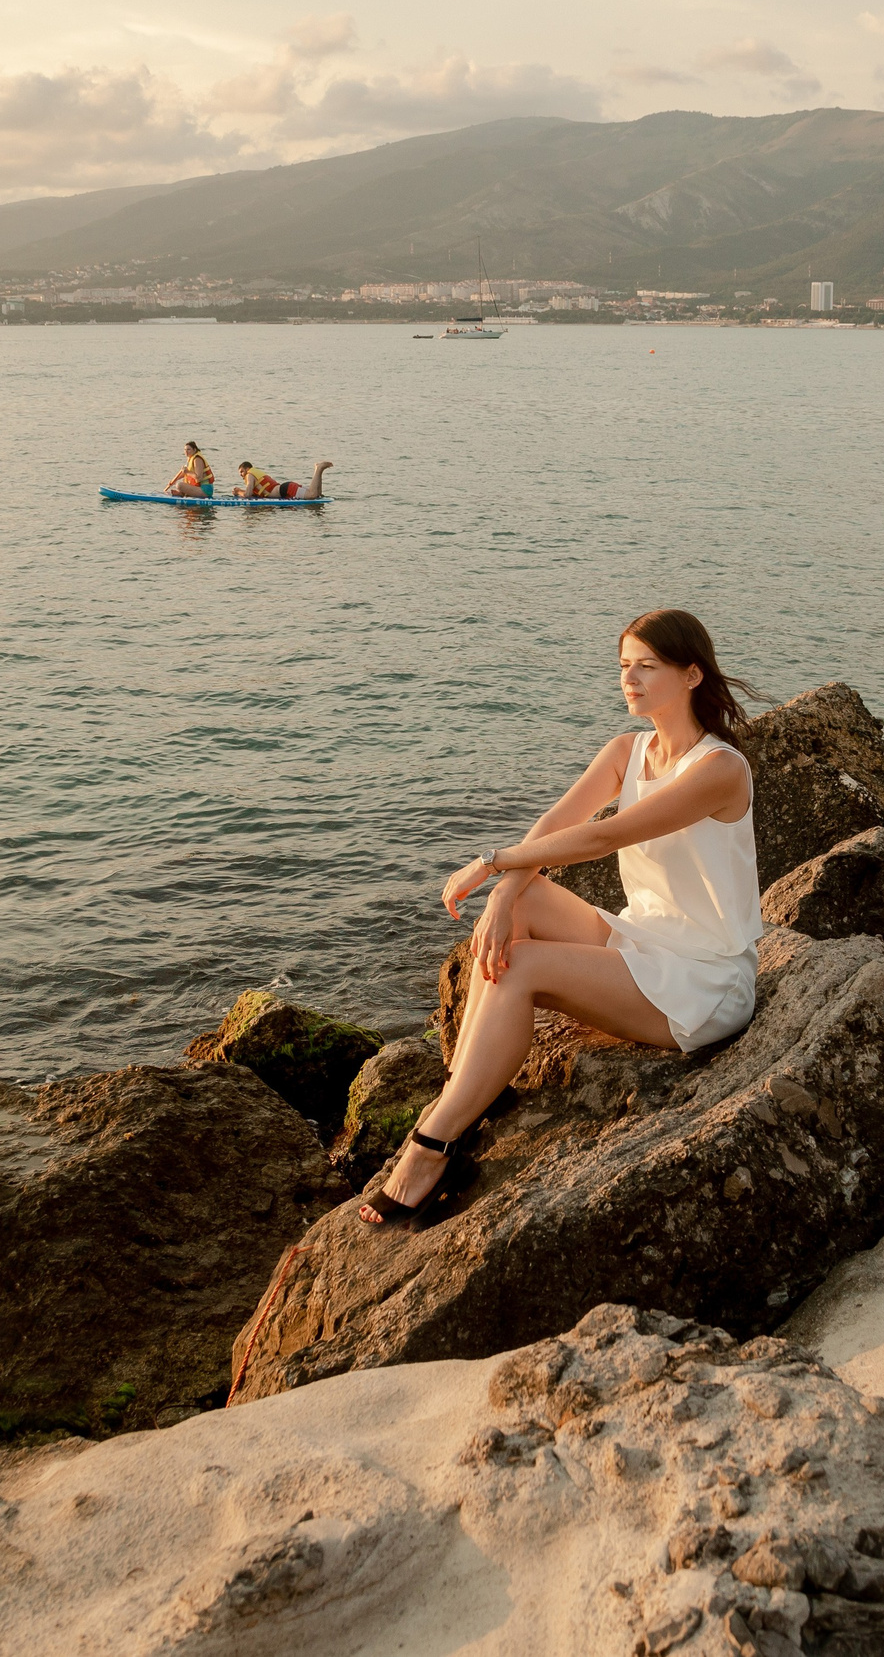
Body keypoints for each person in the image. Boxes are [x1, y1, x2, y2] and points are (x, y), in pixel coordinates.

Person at [362, 609, 762, 1227]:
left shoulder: (719, 769)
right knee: (519, 904)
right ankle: (468, 1094)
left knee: (517, 965)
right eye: (623, 666)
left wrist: (492, 864)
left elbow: (602, 838)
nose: (629, 679)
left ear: (691, 675)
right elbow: (554, 826)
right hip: (643, 941)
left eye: (646, 667)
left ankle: (432, 1143)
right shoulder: (627, 751)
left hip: (703, 981)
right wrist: (503, 894)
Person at [235, 459, 335, 500]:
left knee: (312, 495)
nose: (241, 475)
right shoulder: (255, 474)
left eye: (242, 471)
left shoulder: (249, 475)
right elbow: (253, 493)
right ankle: (320, 471)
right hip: (286, 488)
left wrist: (238, 491)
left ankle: (318, 469)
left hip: (286, 490)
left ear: (247, 469)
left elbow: (247, 495)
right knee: (317, 495)